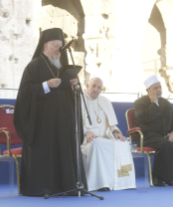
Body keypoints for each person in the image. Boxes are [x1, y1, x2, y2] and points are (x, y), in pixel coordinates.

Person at [13, 28, 87, 196]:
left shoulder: (62, 66)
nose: (58, 51)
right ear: (45, 46)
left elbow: (70, 95)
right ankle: (45, 188)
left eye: (60, 47)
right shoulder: (34, 66)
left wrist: (74, 85)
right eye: (55, 46)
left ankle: (67, 186)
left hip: (63, 120)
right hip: (42, 122)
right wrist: (46, 85)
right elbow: (25, 93)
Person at [81, 77, 136, 191]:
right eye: (93, 86)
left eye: (99, 87)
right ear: (87, 86)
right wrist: (86, 131)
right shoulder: (78, 100)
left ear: (102, 90)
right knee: (97, 144)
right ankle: (101, 183)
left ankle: (123, 183)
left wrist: (116, 132)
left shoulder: (105, 101)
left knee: (123, 143)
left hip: (105, 137)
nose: (95, 89)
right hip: (86, 139)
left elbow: (111, 125)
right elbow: (73, 123)